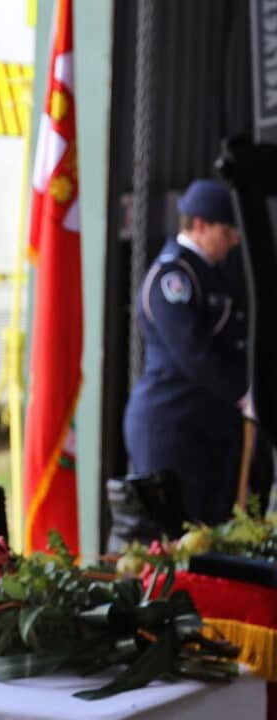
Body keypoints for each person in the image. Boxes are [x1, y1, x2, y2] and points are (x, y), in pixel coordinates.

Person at [124, 178, 248, 525]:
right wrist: (243, 392)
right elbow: (194, 353)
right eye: (226, 232)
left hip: (208, 425)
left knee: (210, 533)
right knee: (176, 535)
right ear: (199, 225)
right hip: (172, 424)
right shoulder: (173, 277)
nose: (233, 241)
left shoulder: (211, 274)